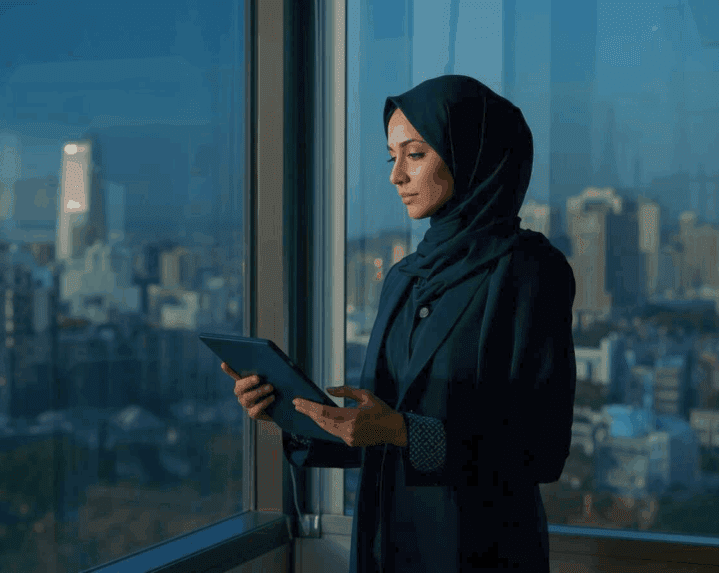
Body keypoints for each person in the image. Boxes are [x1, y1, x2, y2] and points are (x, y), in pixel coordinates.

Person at [224, 74, 577, 572]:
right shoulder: (404, 278)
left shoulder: (529, 271)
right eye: (392, 157)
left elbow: (541, 449)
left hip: (480, 552)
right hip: (384, 546)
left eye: (414, 154)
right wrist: (289, 412)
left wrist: (404, 432)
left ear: (471, 153)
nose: (396, 176)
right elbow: (374, 427)